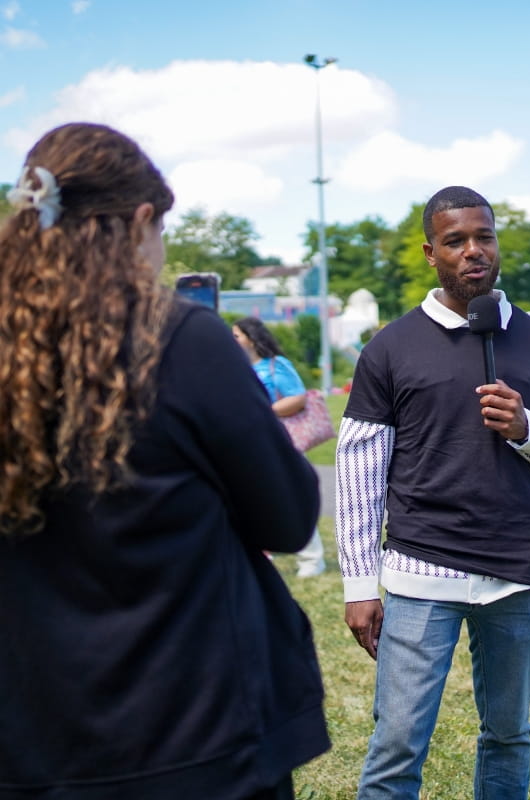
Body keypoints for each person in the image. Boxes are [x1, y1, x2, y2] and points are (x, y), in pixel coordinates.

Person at [0, 122, 329, 800]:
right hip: (196, 732)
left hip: (33, 742)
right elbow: (288, 517)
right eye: (161, 233)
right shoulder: (179, 337)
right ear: (139, 220)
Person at [335, 186, 530, 799]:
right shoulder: (390, 347)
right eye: (455, 241)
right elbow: (359, 471)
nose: (473, 250)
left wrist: (528, 428)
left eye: (484, 237)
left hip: (518, 574)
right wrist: (358, 584)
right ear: (432, 253)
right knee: (397, 743)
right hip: (421, 571)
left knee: (508, 735)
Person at [232, 316, 326, 577]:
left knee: (289, 496)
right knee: (252, 500)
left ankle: (312, 559)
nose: (232, 340)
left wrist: (264, 411)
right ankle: (261, 554)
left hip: (278, 440)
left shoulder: (276, 365)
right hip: (250, 441)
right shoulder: (238, 366)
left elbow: (298, 397)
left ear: (251, 339)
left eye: (237, 335)